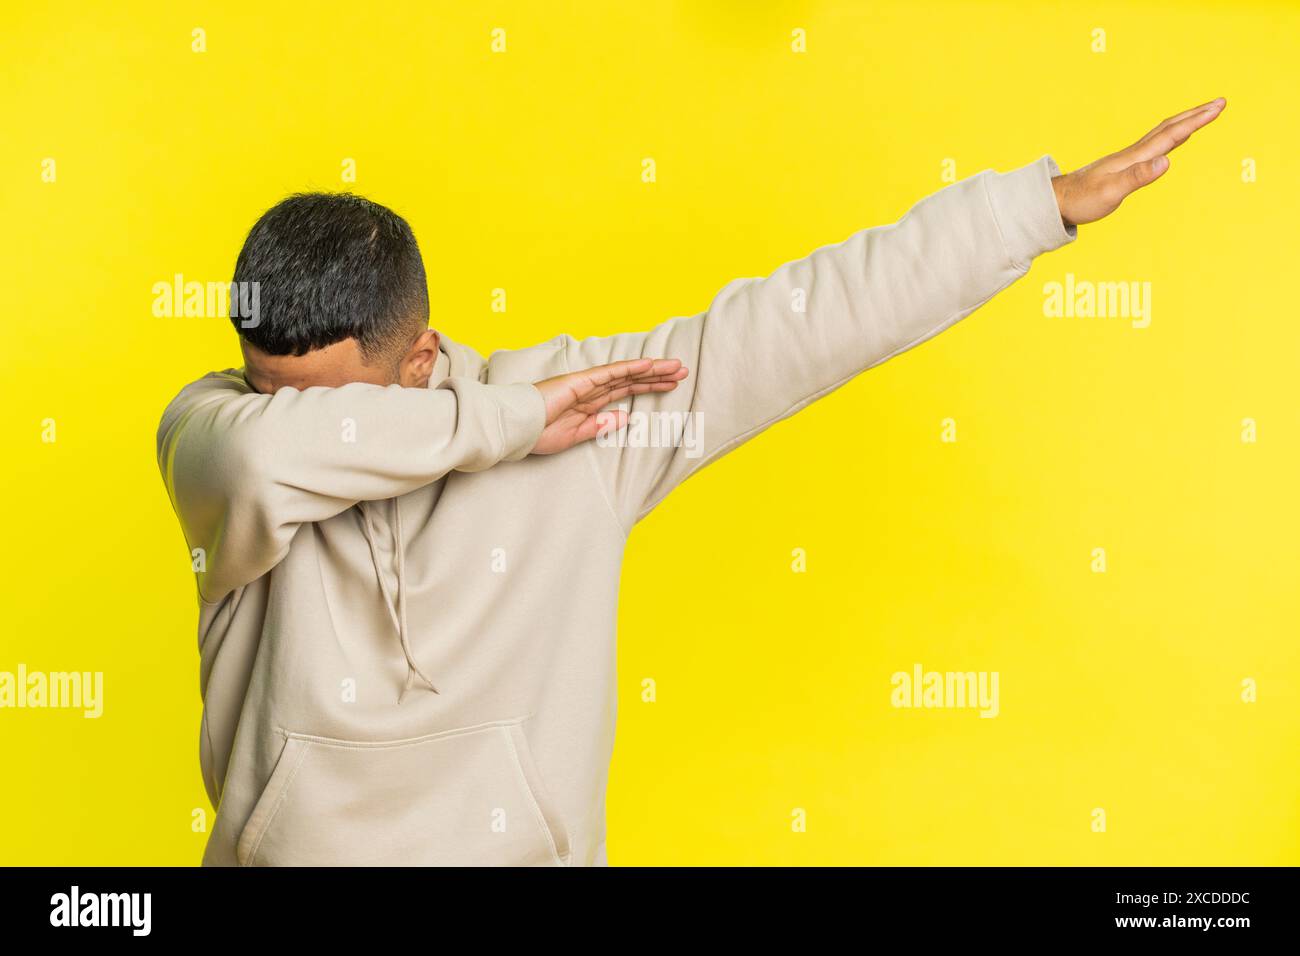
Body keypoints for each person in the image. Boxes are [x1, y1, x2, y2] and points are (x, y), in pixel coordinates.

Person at [156, 99, 1225, 866]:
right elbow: (259, 455)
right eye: (270, 389)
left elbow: (799, 322)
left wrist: (1035, 211)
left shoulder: (593, 421)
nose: (289, 417)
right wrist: (515, 422)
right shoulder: (216, 433)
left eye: (343, 401)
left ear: (423, 355)